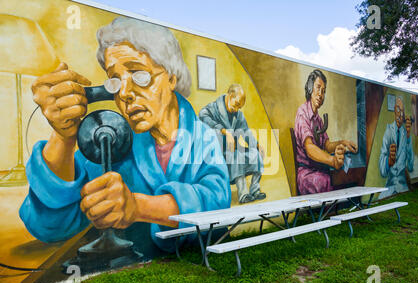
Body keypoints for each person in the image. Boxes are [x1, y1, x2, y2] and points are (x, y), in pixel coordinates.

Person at [19, 17, 231, 259]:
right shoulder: (113, 141)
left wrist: (138, 206)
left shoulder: (202, 137)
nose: (124, 93)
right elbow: (49, 226)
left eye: (139, 75)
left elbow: (216, 204)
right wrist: (63, 137)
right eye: (115, 80)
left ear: (171, 78)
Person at [294, 69, 357, 195]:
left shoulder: (318, 119)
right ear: (310, 88)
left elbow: (327, 146)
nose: (320, 94)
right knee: (325, 180)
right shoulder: (302, 113)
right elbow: (310, 147)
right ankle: (327, 213)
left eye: (323, 91)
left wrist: (342, 143)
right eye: (318, 88)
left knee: (344, 175)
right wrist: (332, 161)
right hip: (307, 174)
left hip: (319, 169)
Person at [199, 84, 265, 203]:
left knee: (255, 154)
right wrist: (224, 131)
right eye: (236, 105)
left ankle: (255, 190)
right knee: (237, 155)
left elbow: (246, 132)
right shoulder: (213, 108)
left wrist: (257, 145)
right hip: (217, 151)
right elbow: (202, 115)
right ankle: (243, 194)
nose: (237, 109)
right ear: (230, 96)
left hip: (231, 149)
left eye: (240, 107)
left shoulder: (238, 114)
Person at [378, 97, 414, 199]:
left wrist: (408, 138)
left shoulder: (405, 133)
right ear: (394, 110)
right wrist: (388, 161)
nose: (401, 114)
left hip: (403, 187)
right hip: (389, 187)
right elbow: (382, 169)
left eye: (402, 111)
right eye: (398, 109)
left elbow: (411, 166)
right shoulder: (388, 130)